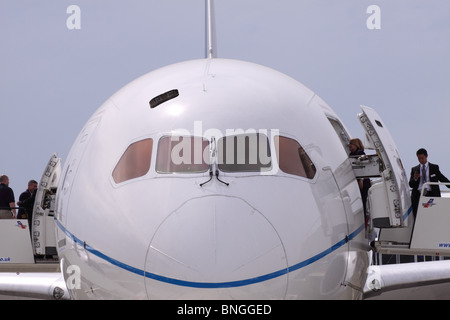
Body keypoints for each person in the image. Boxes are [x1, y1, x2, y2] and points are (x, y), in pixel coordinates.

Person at [409, 148, 450, 217]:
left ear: (426, 156)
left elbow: (442, 178)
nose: (421, 160)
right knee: (418, 216)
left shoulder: (434, 167)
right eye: (419, 159)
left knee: (433, 215)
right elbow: (411, 184)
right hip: (418, 195)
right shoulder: (414, 169)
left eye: (422, 158)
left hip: (431, 194)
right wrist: (415, 178)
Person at [349, 138, 371, 215]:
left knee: (363, 201)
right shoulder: (352, 154)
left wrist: (360, 180)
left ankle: (364, 218)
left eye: (351, 143)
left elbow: (362, 167)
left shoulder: (360, 153)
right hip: (358, 181)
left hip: (362, 181)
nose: (349, 145)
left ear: (356, 145)